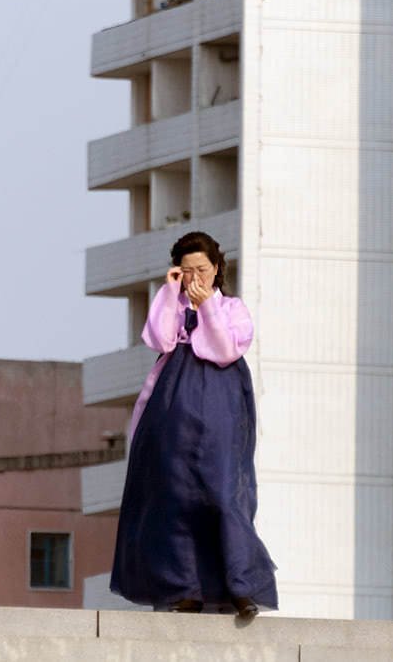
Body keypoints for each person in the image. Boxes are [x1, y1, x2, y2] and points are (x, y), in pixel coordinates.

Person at [110, 231, 278, 617]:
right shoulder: (172, 300)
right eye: (186, 271)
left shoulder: (232, 308)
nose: (194, 278)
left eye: (201, 269)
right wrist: (169, 294)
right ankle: (184, 590)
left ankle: (240, 587)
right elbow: (157, 338)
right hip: (172, 414)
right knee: (174, 499)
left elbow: (222, 351)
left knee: (224, 496)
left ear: (217, 268)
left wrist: (207, 310)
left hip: (221, 407)